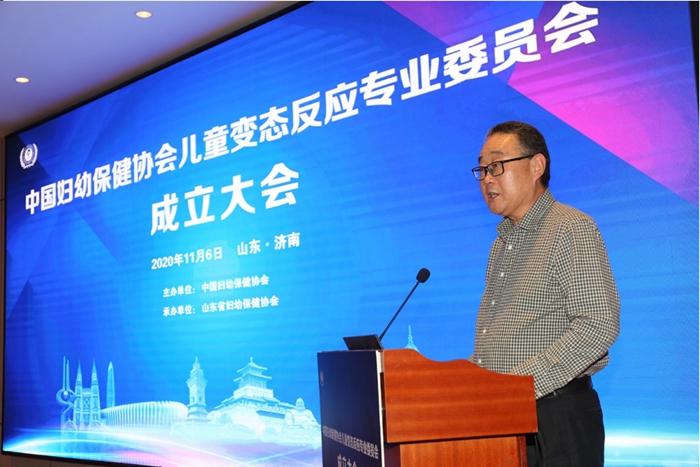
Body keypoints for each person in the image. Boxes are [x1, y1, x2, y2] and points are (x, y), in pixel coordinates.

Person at [468, 121, 620, 467]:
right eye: (482, 169)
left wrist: (519, 388)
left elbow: (598, 325)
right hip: (506, 417)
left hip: (557, 417)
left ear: (537, 166)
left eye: (497, 165)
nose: (487, 179)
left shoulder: (570, 227)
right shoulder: (501, 245)